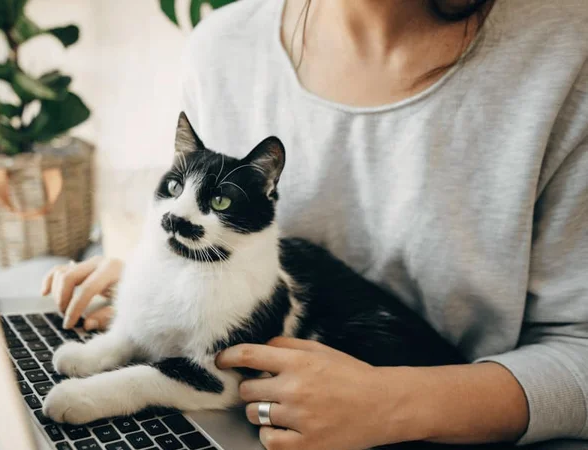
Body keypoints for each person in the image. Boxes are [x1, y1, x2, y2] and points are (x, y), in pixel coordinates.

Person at [41, 0, 588, 448]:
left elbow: (579, 351)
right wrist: (166, 280)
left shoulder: (566, 52)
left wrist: (394, 403)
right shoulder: (221, 46)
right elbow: (219, 228)